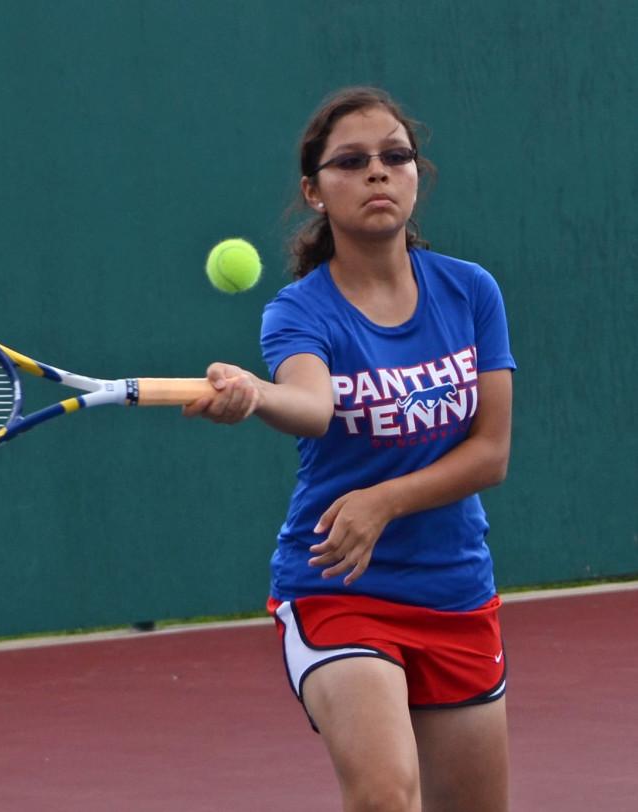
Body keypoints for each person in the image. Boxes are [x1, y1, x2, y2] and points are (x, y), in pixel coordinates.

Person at [185, 87, 515, 812]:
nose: (378, 172)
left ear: (416, 175)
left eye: (395, 156)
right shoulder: (301, 310)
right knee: (386, 797)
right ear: (314, 190)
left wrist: (384, 501)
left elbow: (491, 452)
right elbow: (311, 404)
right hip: (340, 589)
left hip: (456, 591)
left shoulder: (470, 292)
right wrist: (256, 393)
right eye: (352, 161)